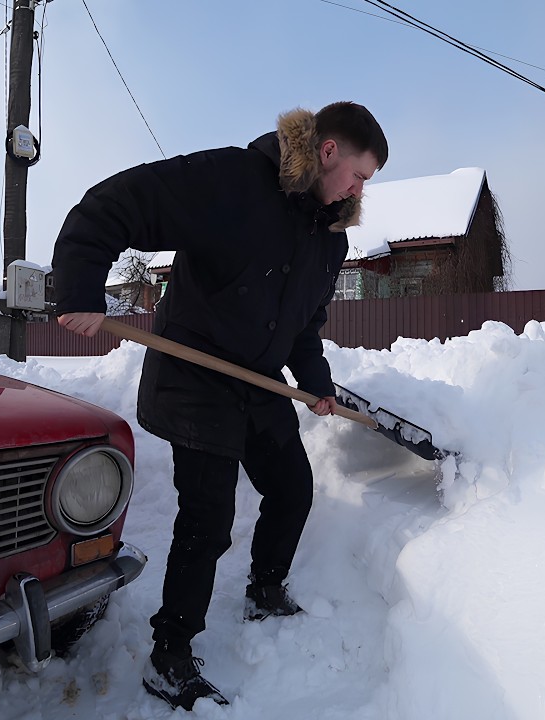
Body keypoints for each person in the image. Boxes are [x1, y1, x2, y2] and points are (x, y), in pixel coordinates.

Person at [51, 101, 388, 710]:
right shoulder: (233, 181)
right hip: (194, 372)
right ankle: (169, 656)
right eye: (359, 175)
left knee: (292, 488)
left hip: (256, 379)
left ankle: (265, 589)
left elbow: (305, 326)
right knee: (208, 519)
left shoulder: (327, 239)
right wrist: (80, 288)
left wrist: (315, 382)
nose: (360, 190)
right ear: (329, 152)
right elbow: (113, 204)